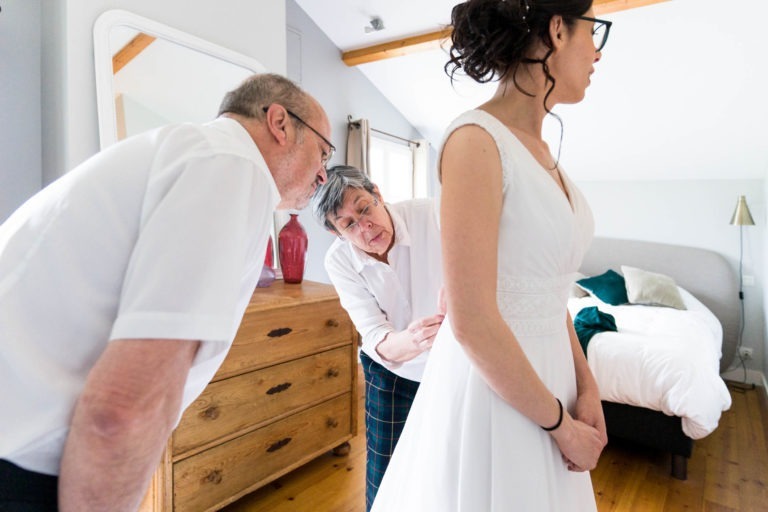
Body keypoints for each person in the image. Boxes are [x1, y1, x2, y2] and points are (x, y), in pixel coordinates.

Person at [0, 73, 333, 511]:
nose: (324, 172)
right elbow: (123, 409)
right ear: (279, 123)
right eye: (323, 151)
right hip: (21, 468)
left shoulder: (186, 153)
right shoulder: (233, 166)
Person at [371, 1, 610, 510]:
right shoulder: (475, 142)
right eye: (595, 31)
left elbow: (548, 292)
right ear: (557, 30)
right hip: (497, 397)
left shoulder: (543, 153)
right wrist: (558, 425)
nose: (598, 54)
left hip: (555, 384)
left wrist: (586, 387)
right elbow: (472, 320)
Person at [312, 165, 444, 511]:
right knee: (384, 472)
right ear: (336, 233)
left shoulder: (432, 215)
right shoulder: (339, 262)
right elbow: (373, 333)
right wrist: (412, 341)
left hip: (452, 362)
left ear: (378, 194)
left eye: (364, 208)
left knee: (445, 464)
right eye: (349, 224)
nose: (365, 226)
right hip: (391, 368)